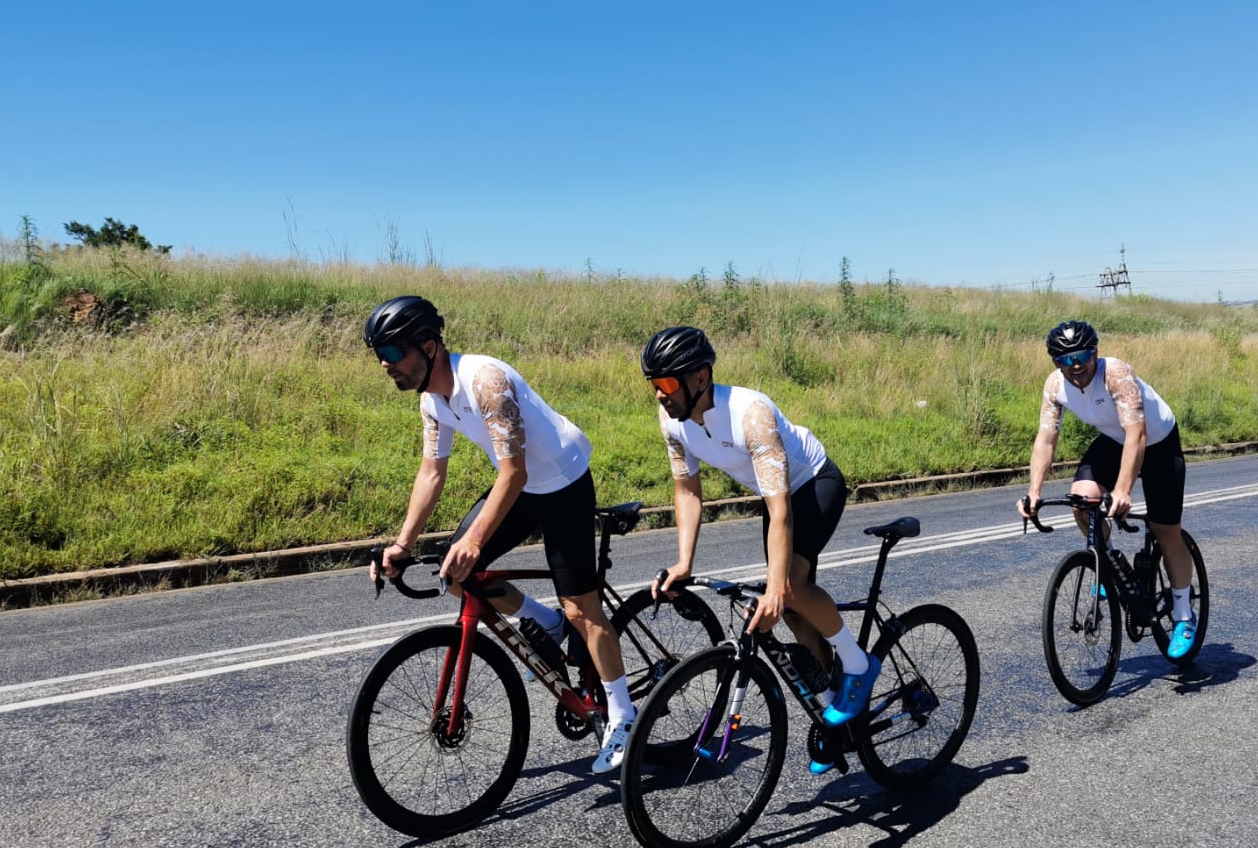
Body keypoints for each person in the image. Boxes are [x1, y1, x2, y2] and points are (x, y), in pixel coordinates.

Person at [365, 295, 634, 773]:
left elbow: (513, 472)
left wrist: (474, 539)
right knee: (456, 573)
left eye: (391, 353)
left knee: (581, 608)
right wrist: (403, 545)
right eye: (379, 356)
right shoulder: (433, 400)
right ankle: (545, 622)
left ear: (428, 347)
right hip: (525, 485)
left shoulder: (486, 382)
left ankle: (623, 716)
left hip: (564, 479)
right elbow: (431, 472)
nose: (385, 366)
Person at [639, 325, 877, 774]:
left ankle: (857, 664)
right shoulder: (672, 419)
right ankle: (832, 709)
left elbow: (781, 510)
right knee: (790, 612)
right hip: (778, 495)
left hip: (813, 484)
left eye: (667, 383)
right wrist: (684, 561)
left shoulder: (751, 413)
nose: (658, 394)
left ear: (700, 378)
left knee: (787, 587)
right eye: (653, 384)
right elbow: (687, 491)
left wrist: (774, 588)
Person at [1016, 320, 1199, 658]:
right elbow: (1046, 439)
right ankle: (1108, 561)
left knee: (1165, 531)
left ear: (1095, 353)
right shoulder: (1055, 385)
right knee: (1082, 499)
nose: (1075, 366)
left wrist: (1123, 489)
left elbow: (1137, 436)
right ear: (1055, 362)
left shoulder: (1115, 374)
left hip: (1157, 442)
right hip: (1114, 441)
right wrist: (1034, 492)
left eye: (1082, 356)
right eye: (1065, 360)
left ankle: (1184, 616)